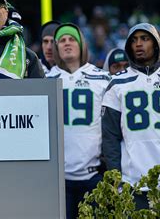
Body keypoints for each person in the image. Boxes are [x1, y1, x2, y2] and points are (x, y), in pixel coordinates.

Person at [101, 23, 160, 209]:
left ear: (156, 44)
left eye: (144, 39)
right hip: (133, 184)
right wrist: (116, 180)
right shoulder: (117, 83)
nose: (138, 44)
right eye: (134, 40)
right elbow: (110, 138)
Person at [47, 23, 110, 219]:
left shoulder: (102, 79)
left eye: (72, 39)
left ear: (81, 44)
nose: (67, 43)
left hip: (93, 175)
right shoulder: (46, 79)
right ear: (56, 48)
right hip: (58, 179)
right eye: (62, 40)